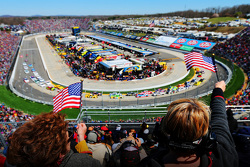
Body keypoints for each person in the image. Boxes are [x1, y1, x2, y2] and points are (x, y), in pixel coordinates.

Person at [139, 81, 238, 167]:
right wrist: (218, 91)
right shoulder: (224, 156)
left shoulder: (146, 164)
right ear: (208, 136)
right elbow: (220, 119)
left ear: (162, 133)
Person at [6, 112, 101, 167]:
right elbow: (87, 161)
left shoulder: (21, 162)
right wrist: (81, 137)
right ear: (59, 151)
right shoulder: (82, 162)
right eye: (69, 137)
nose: (70, 140)